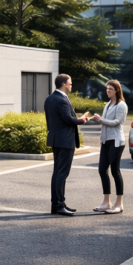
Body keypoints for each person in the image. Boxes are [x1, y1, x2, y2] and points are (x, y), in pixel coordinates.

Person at [84, 80, 127, 214]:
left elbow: (117, 122)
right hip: (106, 141)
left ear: (117, 91)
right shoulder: (108, 104)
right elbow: (106, 121)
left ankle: (119, 204)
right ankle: (106, 202)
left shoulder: (121, 105)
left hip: (116, 141)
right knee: (102, 170)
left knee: (115, 171)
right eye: (107, 89)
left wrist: (101, 120)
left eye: (110, 89)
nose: (108, 91)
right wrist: (99, 118)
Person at [45, 73, 86, 216]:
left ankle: (56, 205)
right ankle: (59, 205)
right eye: (70, 83)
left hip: (56, 139)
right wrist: (81, 120)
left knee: (57, 172)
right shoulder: (61, 99)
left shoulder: (49, 98)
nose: (71, 85)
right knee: (62, 173)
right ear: (63, 84)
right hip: (65, 141)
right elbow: (68, 119)